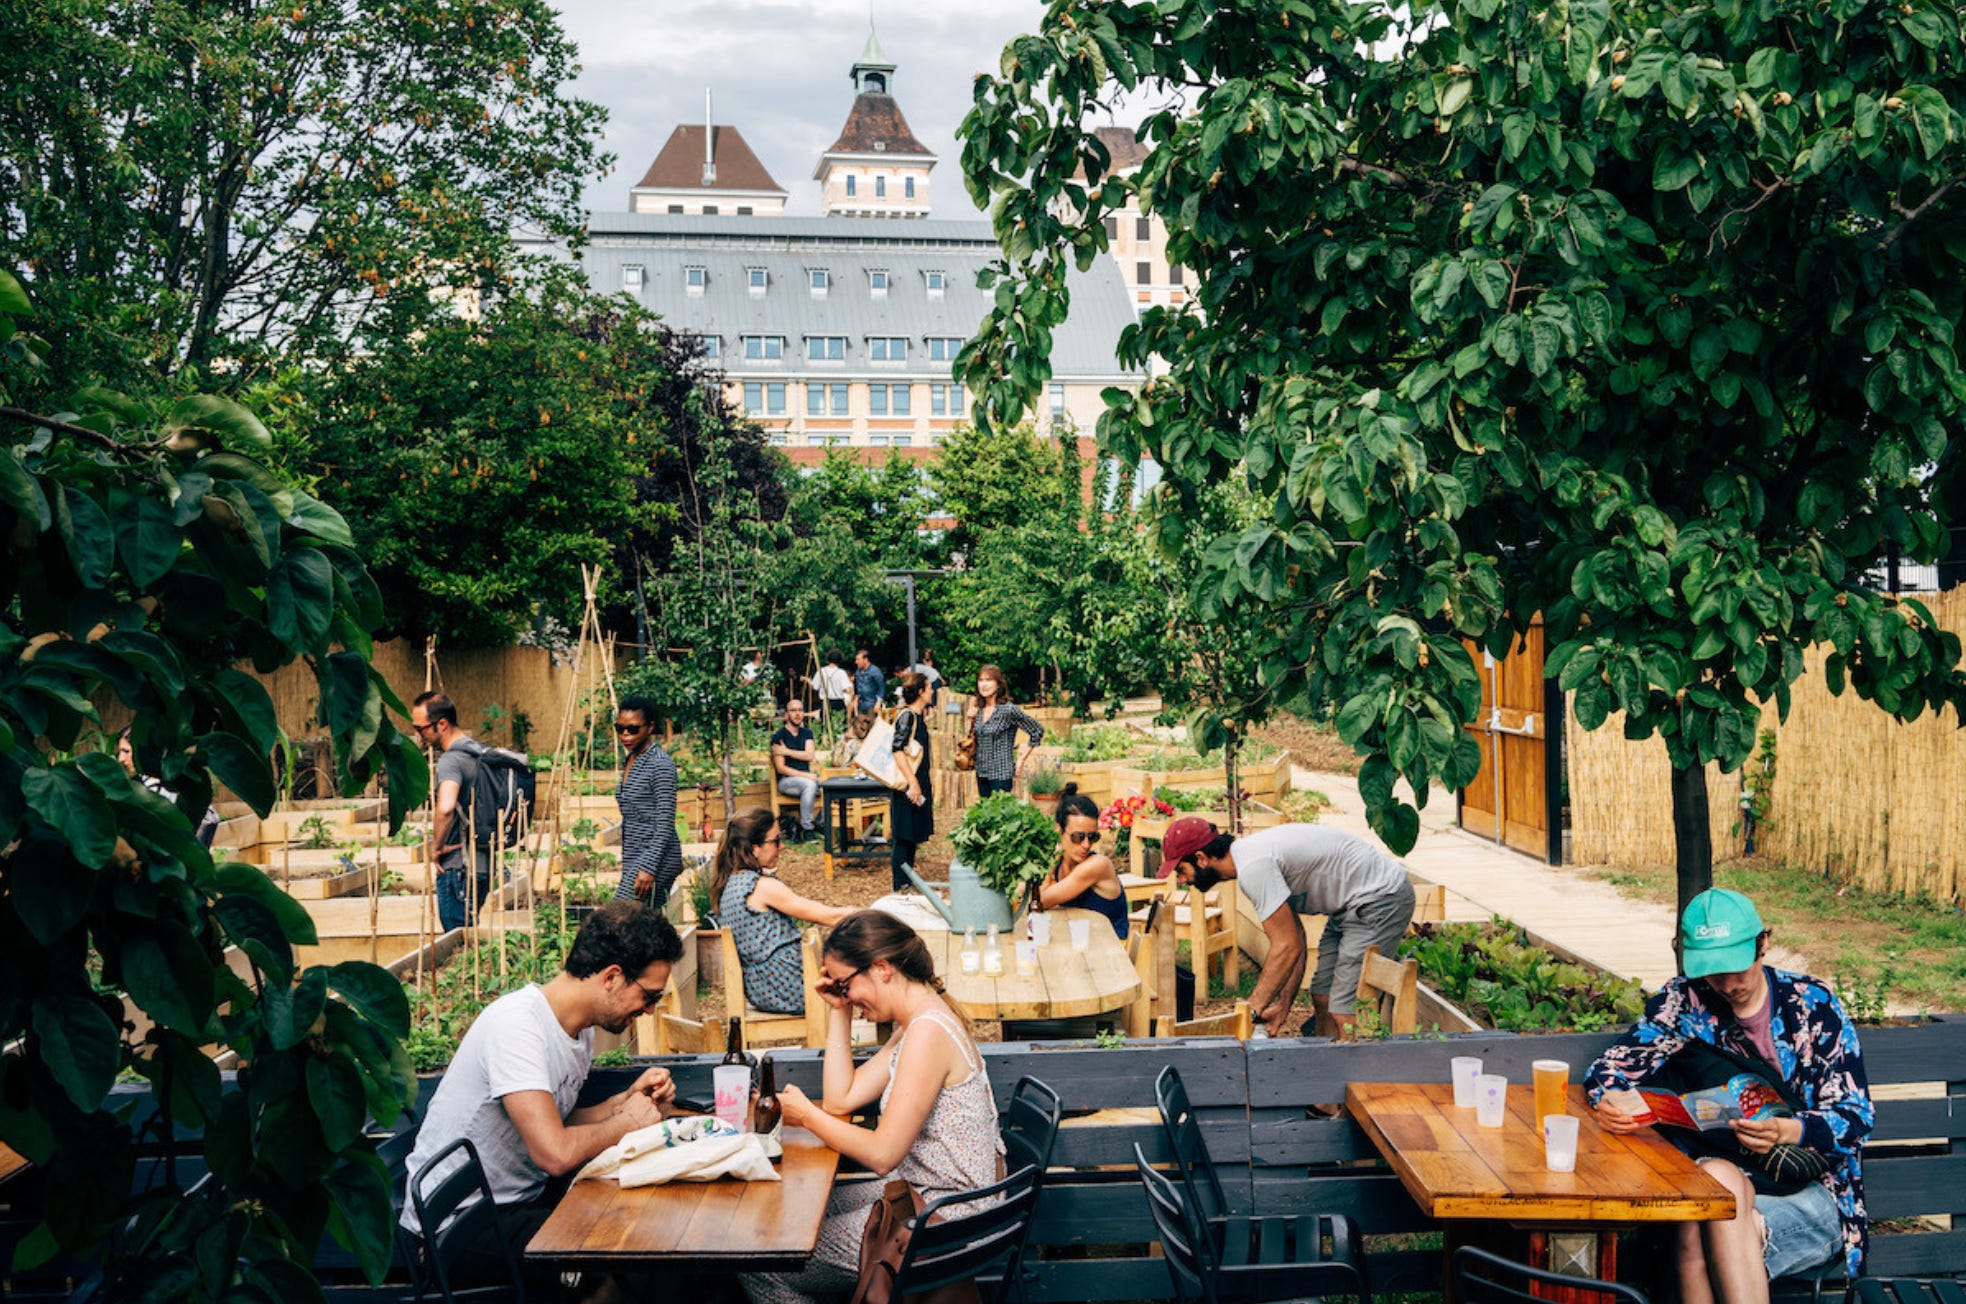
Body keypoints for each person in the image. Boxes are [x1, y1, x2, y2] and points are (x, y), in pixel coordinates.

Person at [1586, 890, 1871, 1303]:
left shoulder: (1812, 1006)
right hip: (1721, 1178)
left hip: (1811, 1190)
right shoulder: (1684, 1002)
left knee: (1709, 1220)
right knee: (1717, 1190)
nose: (1729, 985)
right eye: (1713, 973)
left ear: (1763, 944)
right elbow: (1609, 1070)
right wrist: (1612, 1099)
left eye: (1738, 968)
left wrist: (1789, 1130)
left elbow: (1856, 1116)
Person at [401, 902, 684, 1284]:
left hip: (514, 1205)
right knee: (626, 1254)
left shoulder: (577, 1029)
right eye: (649, 996)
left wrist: (622, 1103)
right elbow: (554, 1153)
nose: (650, 1010)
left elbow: (556, 1123)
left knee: (644, 1223)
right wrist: (627, 1122)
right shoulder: (518, 1027)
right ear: (612, 977)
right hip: (455, 1228)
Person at [741, 911, 1004, 1304]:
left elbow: (882, 1154)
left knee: (765, 1262)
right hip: (924, 1196)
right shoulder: (916, 1024)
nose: (846, 995)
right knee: (805, 1215)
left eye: (845, 985)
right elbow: (841, 1098)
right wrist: (839, 1009)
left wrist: (807, 1117)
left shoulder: (927, 1033)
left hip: (946, 1218)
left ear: (881, 969)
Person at [1159, 818, 1415, 1038]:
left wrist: (1251, 1011)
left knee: (1348, 1009)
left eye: (1181, 870)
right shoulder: (1251, 859)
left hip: (1380, 898)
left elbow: (1286, 947)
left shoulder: (1253, 868)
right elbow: (1296, 940)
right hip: (1348, 904)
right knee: (1323, 997)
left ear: (1201, 858)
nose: (1182, 881)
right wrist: (1283, 1006)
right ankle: (1327, 1080)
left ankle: (1361, 1085)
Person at [711, 809, 853, 1014]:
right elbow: (829, 917)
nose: (783, 846)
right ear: (755, 848)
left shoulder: (731, 884)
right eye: (776, 841)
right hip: (789, 986)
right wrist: (880, 914)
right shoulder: (760, 887)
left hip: (763, 989)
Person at [412, 691, 492, 933]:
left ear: (442, 724)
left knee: (458, 941)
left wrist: (435, 848)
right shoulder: (480, 754)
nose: (418, 735)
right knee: (469, 940)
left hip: (457, 867)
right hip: (483, 866)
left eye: (421, 728)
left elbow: (446, 807)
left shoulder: (452, 760)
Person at [613, 694, 682, 907]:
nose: (625, 734)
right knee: (642, 928)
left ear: (650, 727)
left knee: (621, 918)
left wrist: (649, 867)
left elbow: (665, 822)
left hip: (656, 858)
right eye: (620, 728)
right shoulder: (632, 758)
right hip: (634, 854)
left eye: (633, 729)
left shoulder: (660, 765)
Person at [1036, 783, 1129, 939]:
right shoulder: (1061, 865)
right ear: (1059, 831)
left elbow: (1040, 901)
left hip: (1112, 953)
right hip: (1083, 947)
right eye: (1078, 837)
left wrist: (1051, 858)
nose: (1086, 845)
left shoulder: (1098, 865)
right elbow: (1020, 892)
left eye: (1092, 837)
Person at [117, 727, 221, 848]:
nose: (121, 759)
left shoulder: (170, 786)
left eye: (126, 751)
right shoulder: (137, 784)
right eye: (119, 752)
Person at [965, 664, 1045, 799]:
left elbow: (1037, 730)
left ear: (998, 685)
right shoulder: (979, 708)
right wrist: (971, 721)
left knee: (999, 814)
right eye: (981, 680)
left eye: (989, 680)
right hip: (981, 771)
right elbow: (976, 738)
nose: (984, 684)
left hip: (1001, 773)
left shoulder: (1007, 710)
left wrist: (1021, 760)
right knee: (984, 815)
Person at [888, 672, 934, 892]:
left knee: (912, 834)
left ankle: (907, 882)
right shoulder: (907, 716)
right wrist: (912, 782)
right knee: (903, 835)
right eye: (929, 687)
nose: (932, 691)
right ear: (920, 691)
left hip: (917, 782)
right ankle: (899, 886)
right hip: (908, 784)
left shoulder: (918, 716)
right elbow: (897, 750)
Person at [770, 699, 822, 842]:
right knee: (810, 785)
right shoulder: (778, 736)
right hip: (787, 782)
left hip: (806, 780)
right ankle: (807, 829)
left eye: (800, 710)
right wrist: (806, 776)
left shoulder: (807, 733)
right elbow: (781, 768)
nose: (797, 714)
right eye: (793, 710)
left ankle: (821, 822)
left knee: (831, 784)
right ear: (787, 714)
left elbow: (809, 755)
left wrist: (787, 751)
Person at [809, 648, 852, 731]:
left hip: (825, 702)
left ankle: (825, 742)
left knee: (825, 727)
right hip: (838, 702)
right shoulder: (841, 673)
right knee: (839, 726)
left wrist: (809, 681)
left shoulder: (821, 671)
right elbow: (848, 689)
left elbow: (814, 687)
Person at [852, 647, 886, 715]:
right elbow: (856, 689)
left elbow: (881, 688)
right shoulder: (857, 672)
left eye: (858, 660)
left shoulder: (875, 671)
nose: (856, 662)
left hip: (872, 705)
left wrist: (878, 703)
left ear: (865, 660)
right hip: (861, 706)